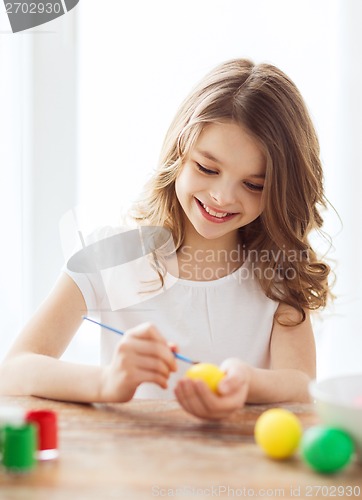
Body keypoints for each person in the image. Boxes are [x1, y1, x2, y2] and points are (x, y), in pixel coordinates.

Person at [0, 59, 331, 420]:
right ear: (178, 153)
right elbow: (14, 370)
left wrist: (247, 384)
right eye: (207, 168)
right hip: (130, 470)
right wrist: (107, 382)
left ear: (280, 192)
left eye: (253, 185)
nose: (222, 196)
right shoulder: (110, 258)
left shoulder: (277, 276)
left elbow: (302, 387)